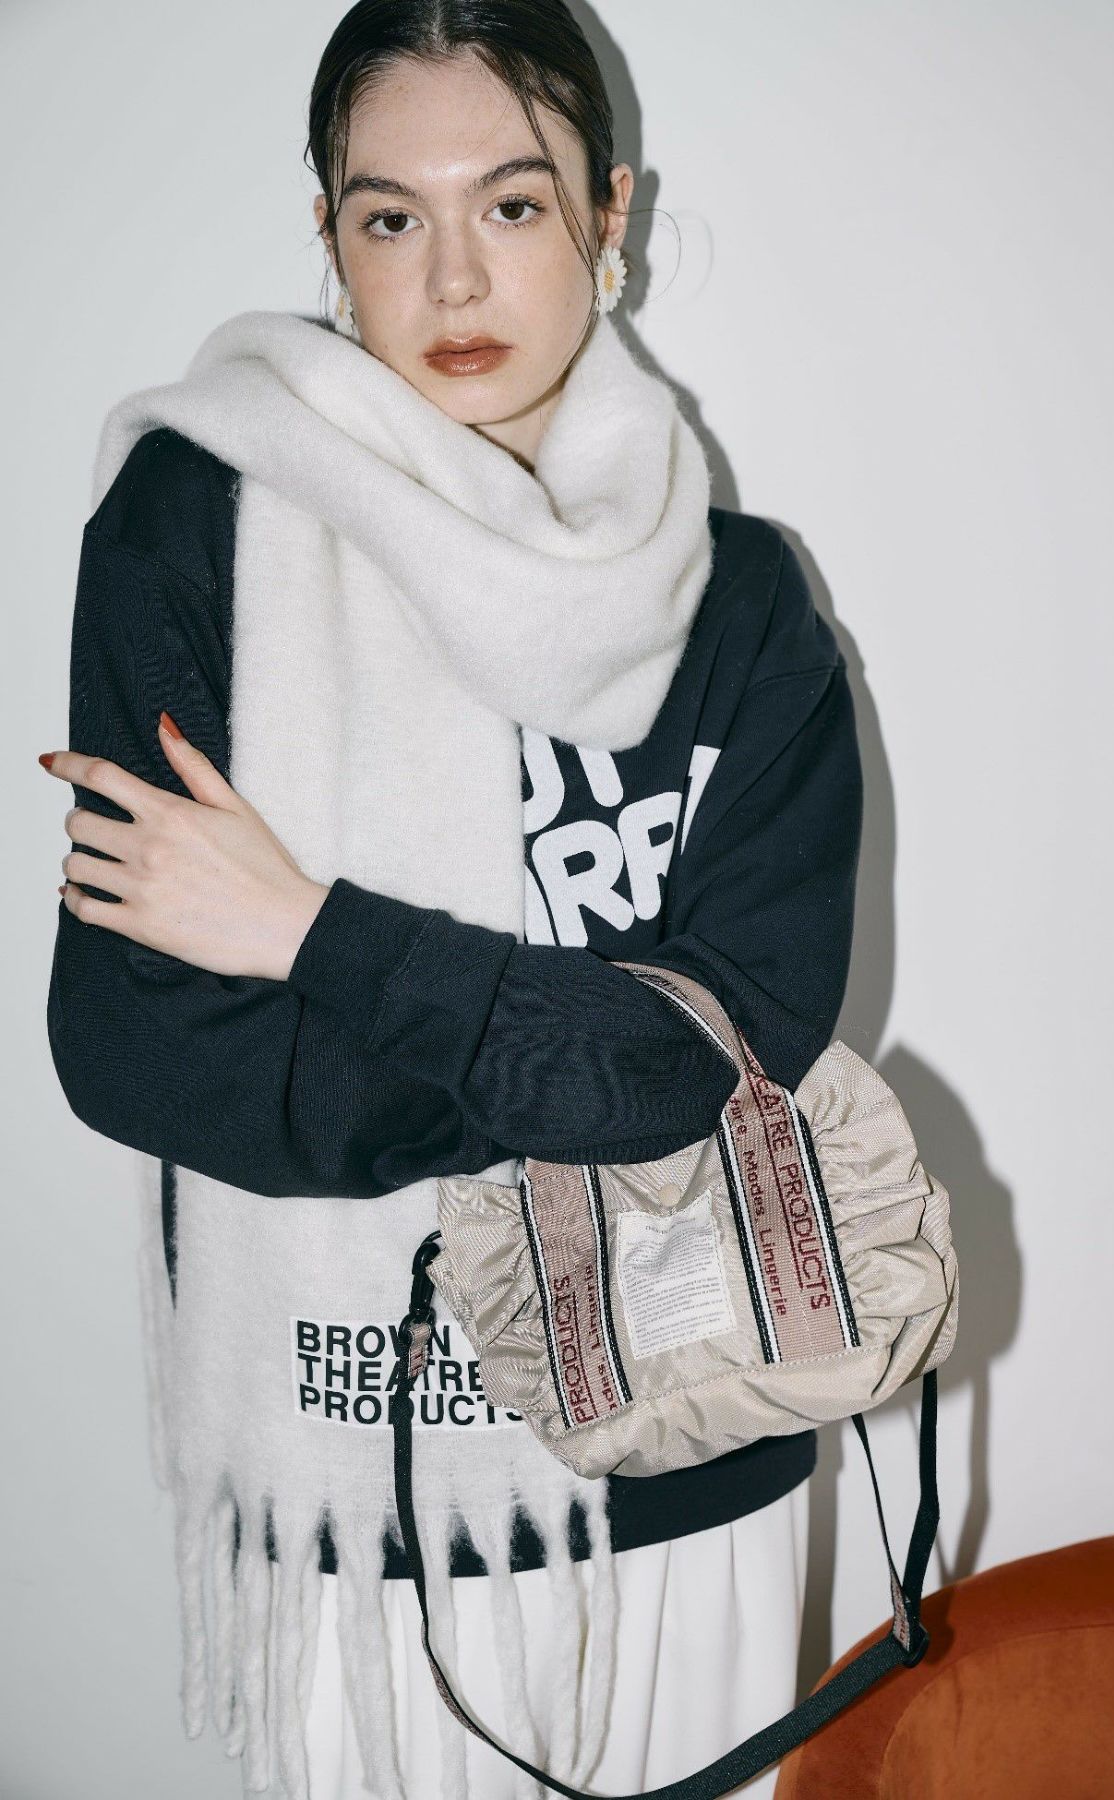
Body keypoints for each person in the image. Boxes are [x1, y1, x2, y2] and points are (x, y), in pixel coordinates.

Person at [42, 4, 863, 1796]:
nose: (454, 278)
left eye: (513, 202)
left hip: (691, 1465)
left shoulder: (740, 608)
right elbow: (138, 1049)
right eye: (390, 216)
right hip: (358, 1485)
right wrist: (572, 1067)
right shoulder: (193, 527)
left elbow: (723, 1067)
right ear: (328, 235)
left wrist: (311, 935)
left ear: (608, 214)